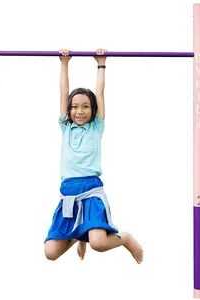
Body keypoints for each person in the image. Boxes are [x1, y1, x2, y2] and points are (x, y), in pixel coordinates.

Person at [44, 49, 143, 264]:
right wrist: (64, 64)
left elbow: (100, 92)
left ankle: (124, 238)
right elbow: (63, 92)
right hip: (68, 194)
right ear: (69, 111)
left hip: (90, 191)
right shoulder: (66, 127)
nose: (80, 111)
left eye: (86, 107)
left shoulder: (96, 127)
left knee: (98, 243)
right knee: (50, 252)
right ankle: (81, 235)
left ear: (93, 110)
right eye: (75, 107)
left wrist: (101, 64)